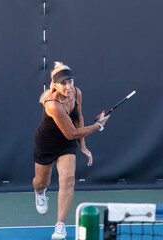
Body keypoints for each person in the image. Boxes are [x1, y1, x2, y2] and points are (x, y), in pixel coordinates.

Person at [32, 62, 110, 240]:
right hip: (47, 144)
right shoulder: (52, 104)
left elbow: (78, 118)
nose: (68, 86)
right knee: (41, 182)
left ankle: (60, 226)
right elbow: (71, 133)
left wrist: (82, 146)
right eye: (63, 83)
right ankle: (39, 192)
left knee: (68, 179)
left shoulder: (76, 93)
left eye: (70, 82)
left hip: (66, 145)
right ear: (55, 85)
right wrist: (98, 125)